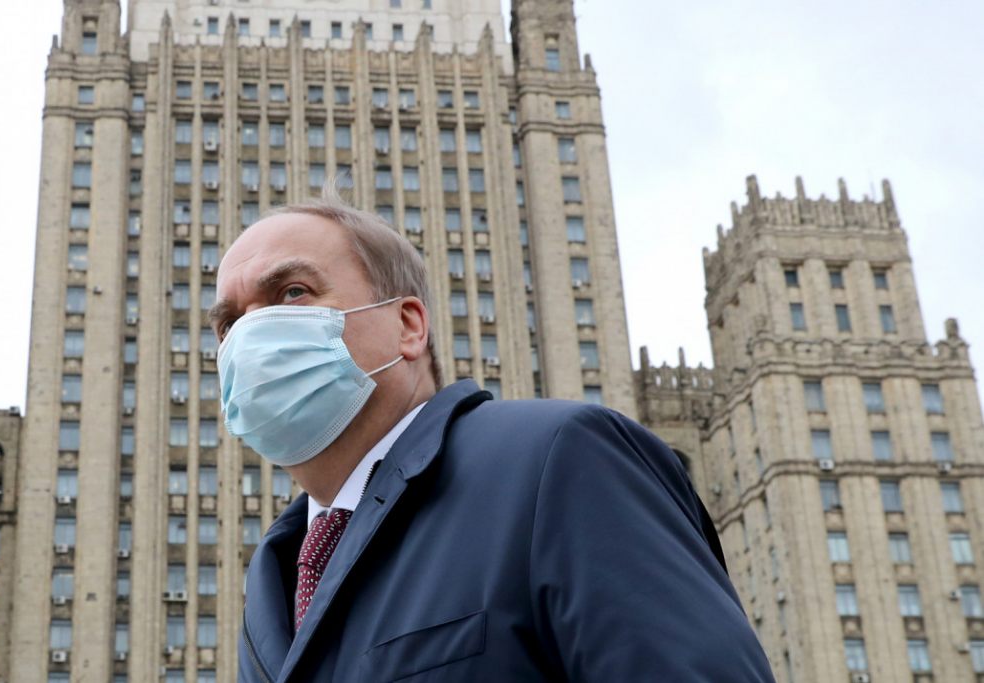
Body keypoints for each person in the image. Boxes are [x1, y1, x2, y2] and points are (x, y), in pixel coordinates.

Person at [210, 189, 775, 682]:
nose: (251, 334)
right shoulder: (275, 576)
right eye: (230, 323)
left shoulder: (558, 460)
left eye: (293, 293)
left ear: (408, 325)